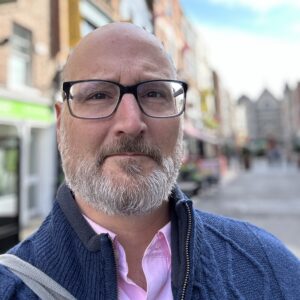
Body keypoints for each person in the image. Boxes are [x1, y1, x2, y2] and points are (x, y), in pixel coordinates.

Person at [0, 22, 299, 300]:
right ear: (61, 122)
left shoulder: (271, 268)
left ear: (180, 118)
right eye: (98, 95)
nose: (131, 123)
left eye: (154, 93)